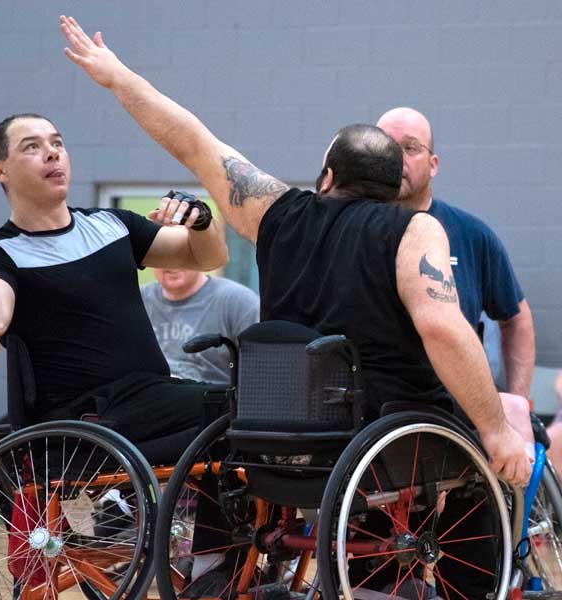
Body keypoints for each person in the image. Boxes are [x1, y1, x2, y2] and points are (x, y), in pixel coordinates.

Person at [60, 16, 533, 597]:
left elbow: (193, 141)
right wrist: (494, 428)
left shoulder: (275, 212)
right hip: (381, 433)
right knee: (485, 466)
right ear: (391, 188)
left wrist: (118, 78)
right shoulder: (415, 229)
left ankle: (227, 570)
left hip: (272, 430)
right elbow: (442, 326)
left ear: (326, 175)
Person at [0, 111, 229, 450]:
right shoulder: (2, 254)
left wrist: (201, 221)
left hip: (150, 400)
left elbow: (206, 257)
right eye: (32, 146)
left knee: (246, 418)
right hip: (86, 419)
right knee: (234, 407)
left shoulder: (112, 224)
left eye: (57, 143)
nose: (52, 152)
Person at [376, 107, 535, 399]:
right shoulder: (352, 229)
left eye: (410, 148)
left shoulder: (471, 233)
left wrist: (519, 400)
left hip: (454, 412)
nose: (396, 158)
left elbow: (516, 318)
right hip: (371, 412)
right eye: (384, 148)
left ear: (433, 164)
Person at [141, 269, 259, 384]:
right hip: (150, 398)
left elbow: (260, 372)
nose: (172, 264)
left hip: (212, 399)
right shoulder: (137, 300)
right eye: (163, 256)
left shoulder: (238, 302)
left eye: (181, 254)